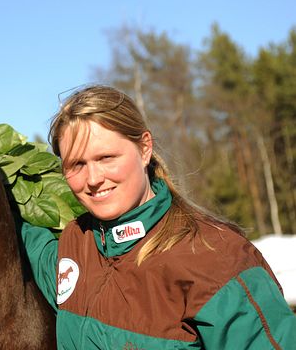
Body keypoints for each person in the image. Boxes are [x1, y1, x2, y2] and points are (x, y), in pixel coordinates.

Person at [21, 85, 295, 349]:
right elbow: (27, 244)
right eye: (77, 165)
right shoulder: (75, 244)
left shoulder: (217, 258)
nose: (93, 179)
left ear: (144, 149)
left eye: (106, 158)